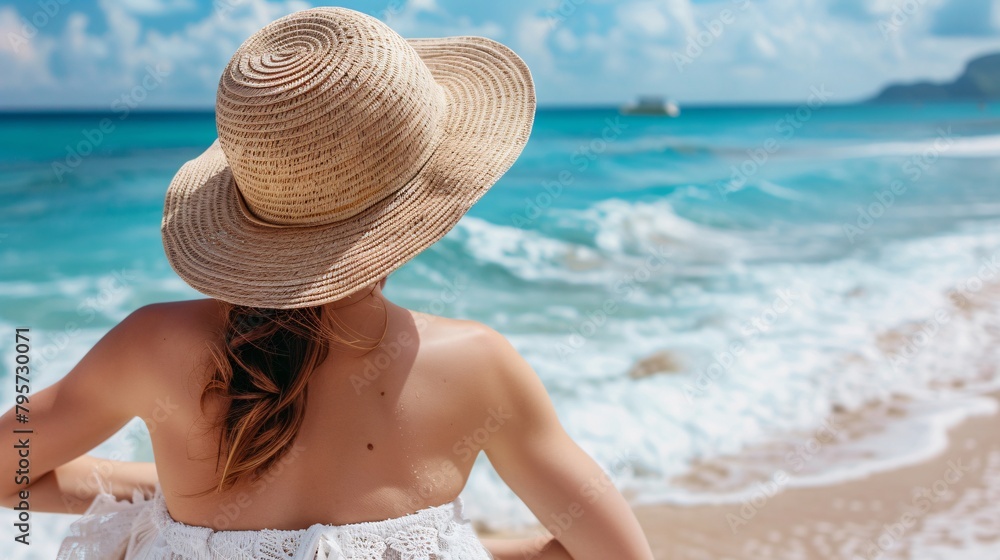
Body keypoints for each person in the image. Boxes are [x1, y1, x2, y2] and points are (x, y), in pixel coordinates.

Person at [0, 7, 654, 560]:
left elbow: (12, 475)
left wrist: (174, 491)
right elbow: (617, 552)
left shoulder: (155, 345)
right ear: (423, 203)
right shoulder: (477, 364)